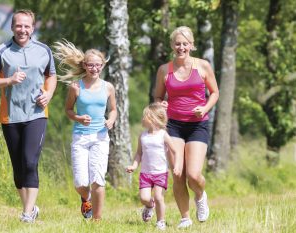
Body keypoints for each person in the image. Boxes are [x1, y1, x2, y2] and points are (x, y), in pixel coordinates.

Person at [0, 9, 57, 223]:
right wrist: (9, 80)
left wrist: (49, 94)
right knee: (18, 168)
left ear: (33, 28)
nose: (22, 29)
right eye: (18, 26)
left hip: (37, 114)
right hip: (10, 115)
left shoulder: (43, 50)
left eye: (27, 26)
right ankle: (30, 208)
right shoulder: (1, 51)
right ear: (12, 27)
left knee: (30, 162)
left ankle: (26, 214)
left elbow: (51, 75)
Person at [154, 26, 219, 228]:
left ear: (191, 45)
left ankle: (200, 195)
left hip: (197, 125)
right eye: (177, 43)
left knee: (193, 174)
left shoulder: (203, 66)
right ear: (172, 46)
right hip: (173, 125)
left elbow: (215, 92)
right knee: (177, 172)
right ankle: (185, 217)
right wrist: (160, 104)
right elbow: (157, 96)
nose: (181, 47)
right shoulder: (165, 70)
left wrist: (205, 107)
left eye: (185, 43)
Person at [53, 40, 117, 220]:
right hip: (80, 138)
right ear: (84, 65)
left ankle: (97, 220)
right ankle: (86, 198)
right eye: (91, 65)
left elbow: (113, 110)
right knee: (80, 183)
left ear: (103, 65)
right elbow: (68, 109)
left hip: (100, 137)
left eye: (98, 65)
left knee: (98, 180)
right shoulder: (76, 87)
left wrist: (111, 120)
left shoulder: (108, 87)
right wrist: (78, 117)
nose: (94, 68)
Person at [126, 103, 179, 231]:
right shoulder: (142, 136)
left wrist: (176, 166)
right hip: (145, 173)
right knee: (144, 198)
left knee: (159, 197)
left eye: (145, 116)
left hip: (160, 173)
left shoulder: (163, 134)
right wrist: (134, 165)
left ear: (154, 119)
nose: (142, 119)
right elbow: (139, 153)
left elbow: (175, 151)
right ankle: (150, 206)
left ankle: (161, 221)